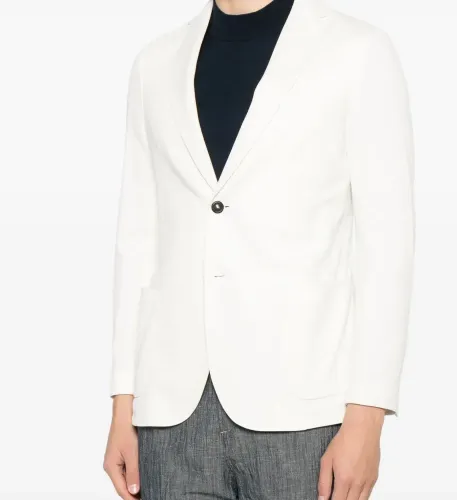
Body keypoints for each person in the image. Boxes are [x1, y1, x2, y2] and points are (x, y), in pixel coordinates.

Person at [103, 0, 415, 498]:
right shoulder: (155, 63)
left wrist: (368, 414)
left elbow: (386, 246)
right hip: (170, 413)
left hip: (303, 409)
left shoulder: (357, 51)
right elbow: (138, 241)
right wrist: (124, 404)